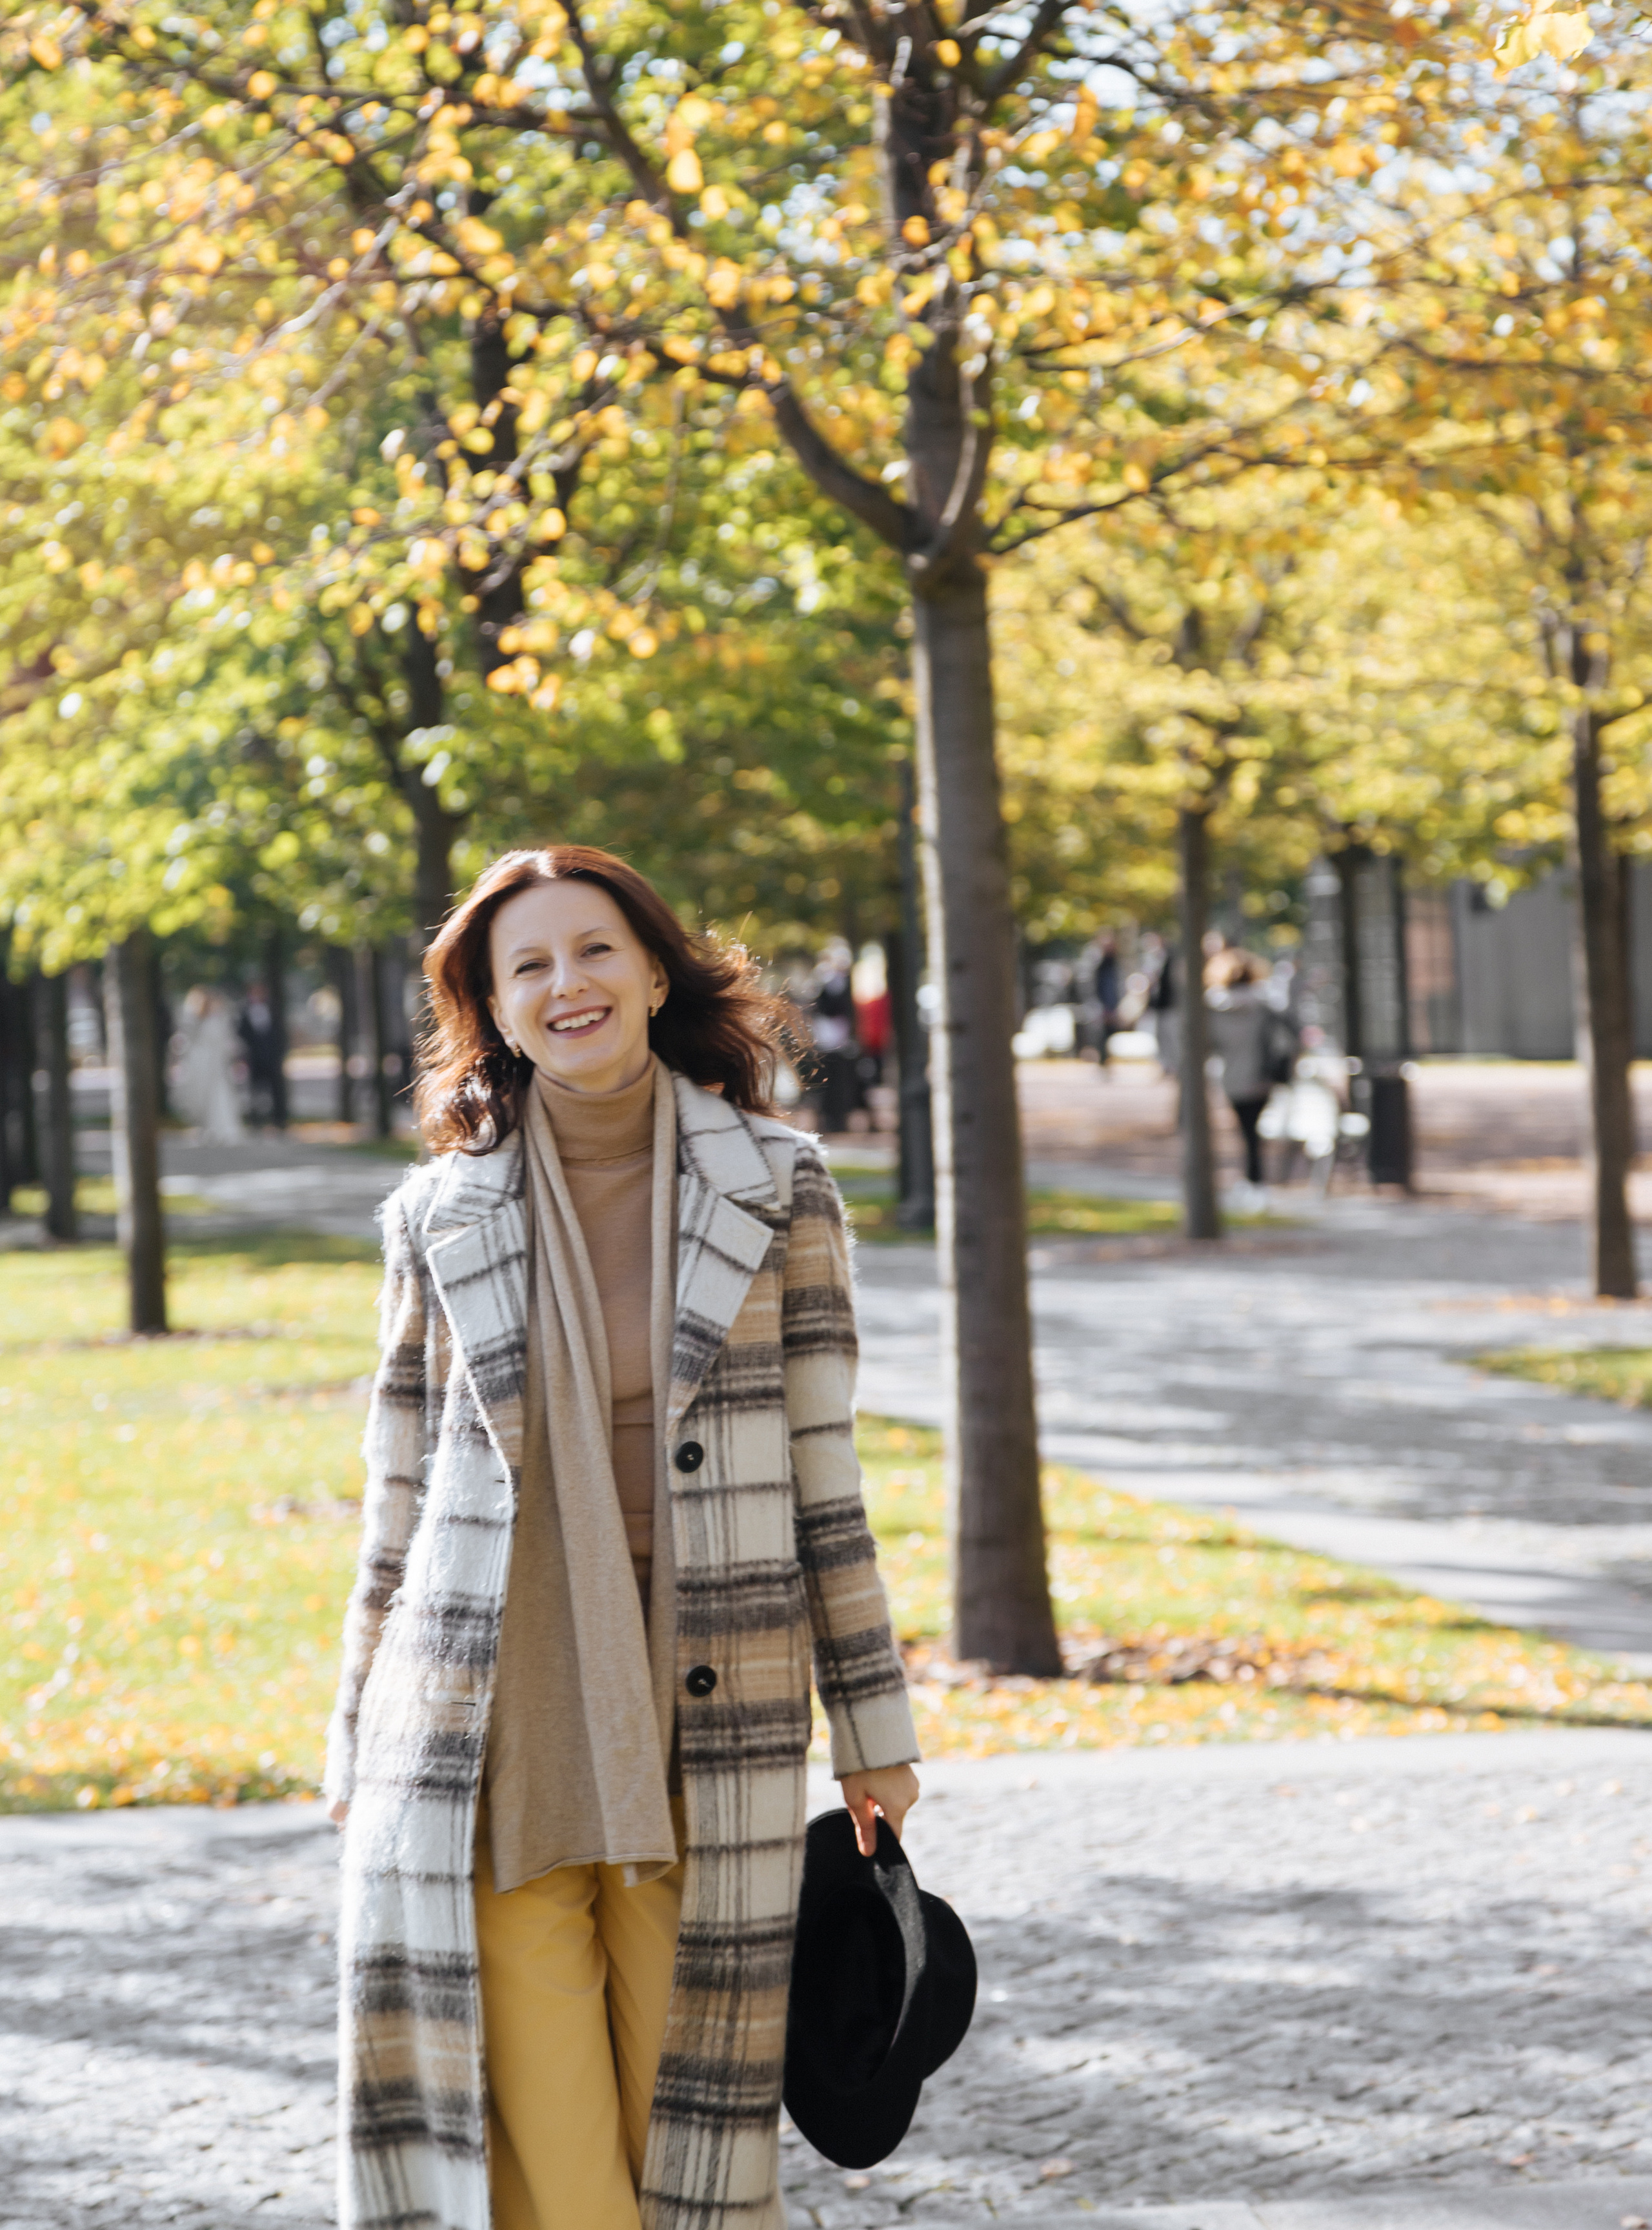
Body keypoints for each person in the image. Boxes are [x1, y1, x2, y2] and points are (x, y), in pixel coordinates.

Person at [323, 845, 920, 2230]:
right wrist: (359, 1731)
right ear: (494, 1007)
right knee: (550, 2165)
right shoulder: (438, 1215)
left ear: (655, 969)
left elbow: (824, 1475)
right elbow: (397, 1492)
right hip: (489, 1728)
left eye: (592, 949)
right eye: (524, 964)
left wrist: (870, 1725)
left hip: (713, 1709)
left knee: (696, 2142)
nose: (565, 982)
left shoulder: (780, 1186)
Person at [1205, 945, 1294, 1199]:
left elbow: (1209, 1044)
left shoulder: (1215, 1009)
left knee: (1246, 1130)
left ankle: (1253, 1179)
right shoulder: (1265, 1004)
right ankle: (1255, 1179)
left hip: (1232, 1075)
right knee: (1254, 1131)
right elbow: (1283, 1039)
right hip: (1261, 1075)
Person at [173, 988, 244, 1142]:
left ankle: (219, 1127)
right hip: (200, 1063)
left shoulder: (218, 1019)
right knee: (200, 1094)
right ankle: (204, 1125)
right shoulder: (194, 1020)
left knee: (217, 1095)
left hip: (214, 1064)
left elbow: (225, 1042)